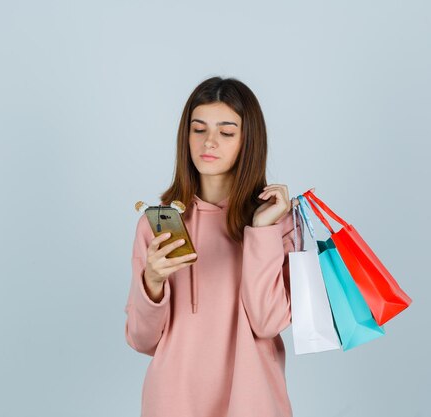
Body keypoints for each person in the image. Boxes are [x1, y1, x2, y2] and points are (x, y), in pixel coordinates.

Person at [124, 76, 302, 417]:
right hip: (172, 404)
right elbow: (141, 340)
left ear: (248, 140)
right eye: (199, 129)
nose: (210, 142)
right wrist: (153, 282)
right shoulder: (156, 224)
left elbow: (268, 322)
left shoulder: (278, 222)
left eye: (226, 131)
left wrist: (261, 230)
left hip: (253, 404)